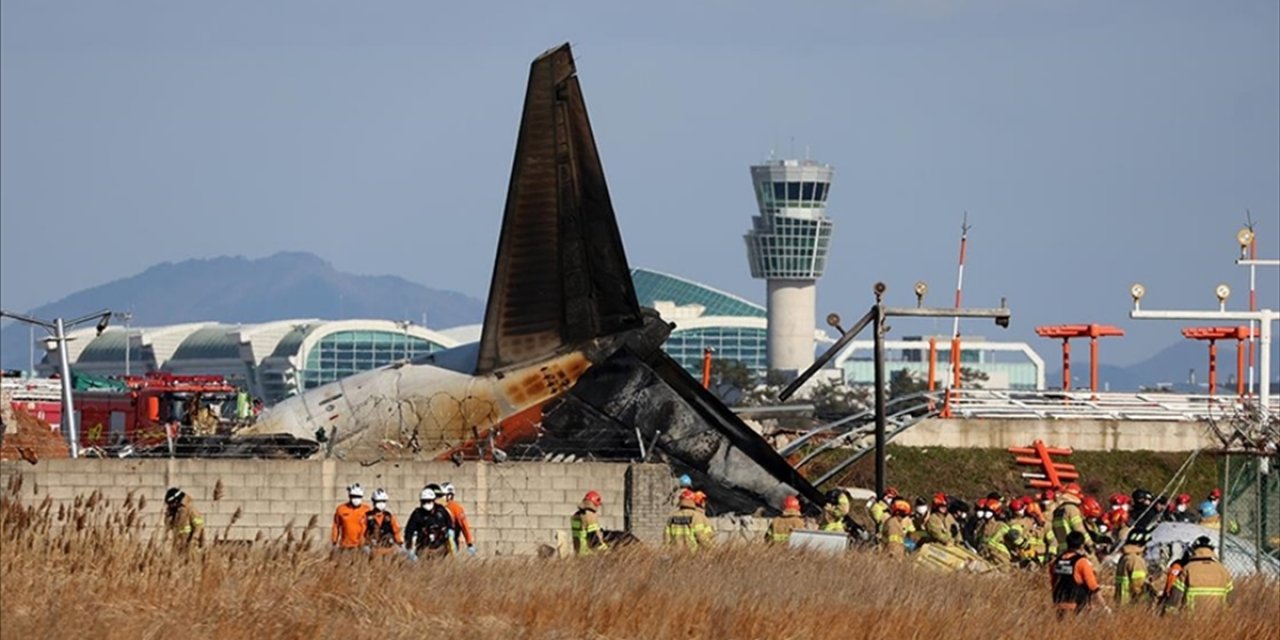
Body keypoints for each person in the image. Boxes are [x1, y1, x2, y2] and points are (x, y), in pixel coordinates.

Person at [1164, 536, 1233, 613]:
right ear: (1212, 550)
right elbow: (1231, 600)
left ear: (1194, 550)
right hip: (1219, 619)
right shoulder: (1222, 570)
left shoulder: (1187, 569)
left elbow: (1175, 597)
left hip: (1191, 619)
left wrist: (1167, 613)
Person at [1049, 531, 1104, 616]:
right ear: (1082, 546)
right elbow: (1093, 586)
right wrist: (1104, 606)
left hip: (1059, 605)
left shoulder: (1056, 562)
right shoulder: (1082, 562)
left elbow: (1054, 583)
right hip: (1076, 607)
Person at [405, 487, 456, 559]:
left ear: (433, 500)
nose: (426, 503)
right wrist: (409, 546)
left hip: (440, 548)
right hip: (423, 549)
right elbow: (409, 531)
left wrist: (450, 539)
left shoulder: (441, 511)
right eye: (424, 501)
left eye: (428, 501)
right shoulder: (417, 514)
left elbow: (450, 525)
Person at [1051, 484, 1093, 555]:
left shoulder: (1058, 510)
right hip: (1074, 548)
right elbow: (1079, 529)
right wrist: (1090, 544)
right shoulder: (1072, 509)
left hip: (1061, 549)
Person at [364, 488, 403, 557]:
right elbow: (362, 531)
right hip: (374, 549)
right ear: (374, 502)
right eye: (378, 501)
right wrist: (365, 544)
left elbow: (396, 530)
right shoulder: (367, 516)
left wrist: (399, 543)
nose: (381, 503)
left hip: (389, 548)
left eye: (383, 501)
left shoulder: (389, 516)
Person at [164, 487, 205, 551]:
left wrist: (194, 540)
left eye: (171, 504)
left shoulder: (190, 509)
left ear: (176, 501)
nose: (169, 506)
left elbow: (199, 525)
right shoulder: (175, 511)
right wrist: (169, 514)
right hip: (178, 546)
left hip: (190, 546)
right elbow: (168, 525)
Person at [1115, 530, 1150, 606]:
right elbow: (1138, 586)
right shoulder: (1135, 560)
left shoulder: (1124, 558)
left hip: (1120, 602)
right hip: (1131, 604)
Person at [332, 483, 370, 552]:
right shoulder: (341, 509)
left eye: (358, 496)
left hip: (361, 546)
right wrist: (334, 542)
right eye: (354, 496)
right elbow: (336, 526)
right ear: (349, 496)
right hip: (345, 546)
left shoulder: (367, 510)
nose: (356, 498)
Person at [441, 482, 476, 556]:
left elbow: (464, 525)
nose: (441, 498)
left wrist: (469, 543)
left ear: (449, 496)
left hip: (451, 541)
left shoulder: (456, 508)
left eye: (443, 495)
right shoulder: (436, 508)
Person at [570, 490, 608, 556]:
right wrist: (606, 550)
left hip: (578, 553)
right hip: (589, 554)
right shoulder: (590, 516)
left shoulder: (576, 516)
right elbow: (593, 539)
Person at [979, 499, 1013, 567]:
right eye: (985, 510)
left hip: (1000, 556)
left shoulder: (1002, 526)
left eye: (989, 511)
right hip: (985, 554)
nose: (986, 513)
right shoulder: (982, 525)